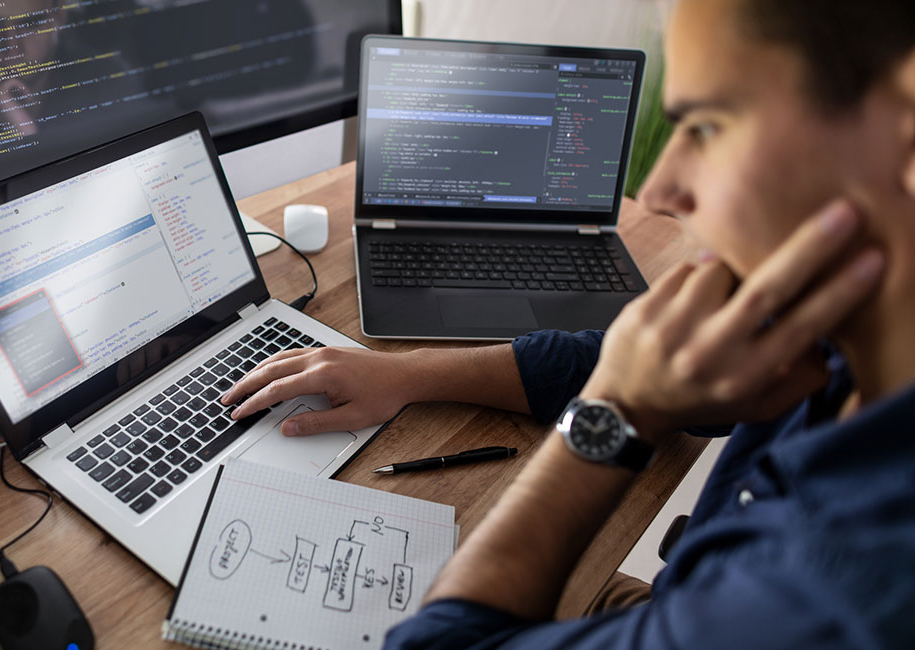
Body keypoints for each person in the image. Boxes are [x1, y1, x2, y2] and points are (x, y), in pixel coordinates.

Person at [224, 0, 915, 646]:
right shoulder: (837, 330)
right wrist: (405, 373)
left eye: (708, 126)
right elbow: (665, 368)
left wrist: (616, 409)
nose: (664, 190)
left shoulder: (832, 597)